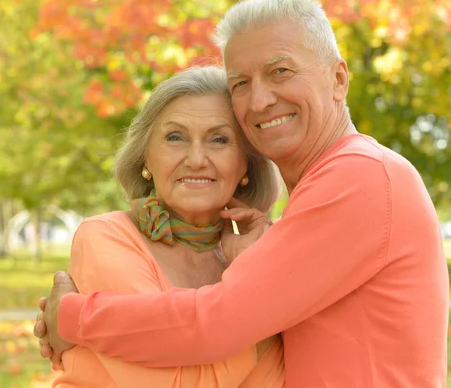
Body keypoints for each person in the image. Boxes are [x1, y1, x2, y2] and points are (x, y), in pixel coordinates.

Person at [35, 0, 449, 387]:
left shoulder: (359, 178)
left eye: (280, 71)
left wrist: (72, 316)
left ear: (338, 79)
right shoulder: (319, 191)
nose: (261, 99)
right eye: (240, 84)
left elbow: (218, 323)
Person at [45, 65, 285, 387]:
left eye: (219, 139)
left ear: (246, 163)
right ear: (146, 156)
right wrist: (270, 320)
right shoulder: (106, 238)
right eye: (175, 137)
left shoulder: (264, 254)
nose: (196, 158)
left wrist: (256, 273)